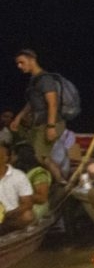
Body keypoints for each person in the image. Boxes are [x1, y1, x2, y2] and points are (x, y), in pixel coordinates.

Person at [10, 49, 66, 183]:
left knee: (40, 156)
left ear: (32, 59)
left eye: (22, 62)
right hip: (39, 123)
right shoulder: (34, 80)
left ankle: (60, 182)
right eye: (18, 63)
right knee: (36, 154)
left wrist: (51, 126)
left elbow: (53, 103)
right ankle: (57, 181)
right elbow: (32, 103)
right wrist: (18, 118)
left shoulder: (45, 79)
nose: (19, 66)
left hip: (50, 122)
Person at [0, 143, 35, 233]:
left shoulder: (18, 176)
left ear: (6, 158)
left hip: (11, 217)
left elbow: (27, 203)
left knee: (28, 215)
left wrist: (9, 214)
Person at [12, 143, 52, 222]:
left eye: (13, 155)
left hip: (35, 207)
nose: (11, 158)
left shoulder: (38, 173)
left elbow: (42, 198)